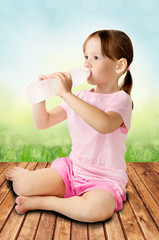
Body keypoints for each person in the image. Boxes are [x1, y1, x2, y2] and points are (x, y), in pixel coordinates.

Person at [6, 29, 134, 223]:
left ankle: (45, 203)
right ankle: (52, 190)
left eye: (96, 57)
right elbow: (43, 122)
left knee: (95, 210)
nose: (87, 63)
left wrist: (67, 94)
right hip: (73, 170)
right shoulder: (80, 97)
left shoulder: (121, 100)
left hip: (104, 180)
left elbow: (104, 124)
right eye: (86, 57)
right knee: (22, 185)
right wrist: (40, 96)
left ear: (119, 66)